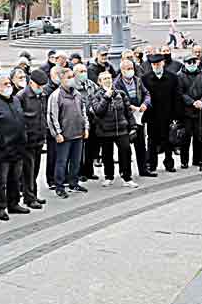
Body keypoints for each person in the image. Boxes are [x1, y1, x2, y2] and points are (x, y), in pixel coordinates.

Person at [0, 76, 30, 220]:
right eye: (5, 84)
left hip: (18, 147)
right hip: (3, 150)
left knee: (15, 179)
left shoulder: (16, 100)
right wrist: (1, 143)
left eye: (9, 83)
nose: (9, 86)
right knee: (1, 181)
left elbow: (21, 120)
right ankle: (1, 207)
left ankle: (14, 203)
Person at [91, 71, 138, 188]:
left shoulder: (120, 94)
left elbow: (128, 111)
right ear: (100, 82)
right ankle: (109, 176)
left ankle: (127, 177)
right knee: (107, 155)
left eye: (109, 78)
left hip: (121, 129)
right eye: (104, 79)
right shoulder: (96, 95)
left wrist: (133, 126)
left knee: (126, 152)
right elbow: (98, 111)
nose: (107, 80)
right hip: (105, 131)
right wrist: (106, 97)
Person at [48, 68, 89, 199]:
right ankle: (59, 186)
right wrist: (57, 133)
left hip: (78, 133)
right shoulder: (56, 96)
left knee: (76, 162)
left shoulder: (77, 94)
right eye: (68, 77)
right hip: (64, 136)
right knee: (61, 162)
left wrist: (86, 128)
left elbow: (83, 113)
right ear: (61, 79)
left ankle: (73, 182)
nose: (72, 79)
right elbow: (52, 116)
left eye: (72, 76)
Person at [113, 59, 155, 177]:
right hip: (124, 119)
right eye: (127, 69)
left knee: (141, 144)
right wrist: (128, 106)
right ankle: (125, 172)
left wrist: (145, 104)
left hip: (138, 117)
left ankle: (143, 170)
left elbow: (147, 94)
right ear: (122, 70)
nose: (130, 71)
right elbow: (116, 99)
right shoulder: (116, 83)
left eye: (131, 68)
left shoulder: (138, 80)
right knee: (125, 147)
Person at [142, 53, 180, 173]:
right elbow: (144, 97)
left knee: (168, 140)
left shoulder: (172, 77)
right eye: (154, 64)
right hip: (152, 115)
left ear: (163, 63)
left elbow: (176, 97)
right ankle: (151, 164)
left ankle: (169, 163)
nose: (156, 66)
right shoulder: (145, 78)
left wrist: (176, 116)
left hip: (168, 114)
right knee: (152, 140)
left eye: (158, 63)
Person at [17, 69, 49, 210]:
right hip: (27, 140)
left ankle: (33, 194)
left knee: (35, 169)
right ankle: (29, 197)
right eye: (39, 86)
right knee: (28, 170)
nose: (41, 89)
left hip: (39, 138)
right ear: (31, 83)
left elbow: (42, 115)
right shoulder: (22, 96)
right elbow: (19, 120)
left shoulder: (41, 95)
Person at [176, 55, 202, 169]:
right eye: (189, 62)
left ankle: (198, 159)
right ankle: (184, 161)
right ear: (185, 63)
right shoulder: (180, 76)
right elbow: (180, 93)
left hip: (200, 110)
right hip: (186, 111)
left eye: (193, 62)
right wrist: (192, 102)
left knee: (199, 136)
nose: (191, 64)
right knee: (185, 137)